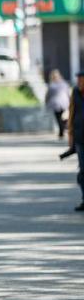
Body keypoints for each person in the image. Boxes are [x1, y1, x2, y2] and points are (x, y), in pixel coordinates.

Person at [68, 70, 84, 211]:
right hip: (79, 138)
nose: (79, 82)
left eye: (81, 79)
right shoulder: (75, 92)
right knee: (82, 170)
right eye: (78, 79)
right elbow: (72, 113)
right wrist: (70, 135)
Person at [46, 69, 70, 139]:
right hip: (65, 103)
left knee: (59, 118)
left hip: (56, 104)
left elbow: (48, 95)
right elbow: (68, 93)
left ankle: (61, 132)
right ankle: (62, 130)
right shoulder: (64, 84)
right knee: (63, 118)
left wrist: (46, 102)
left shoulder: (52, 85)